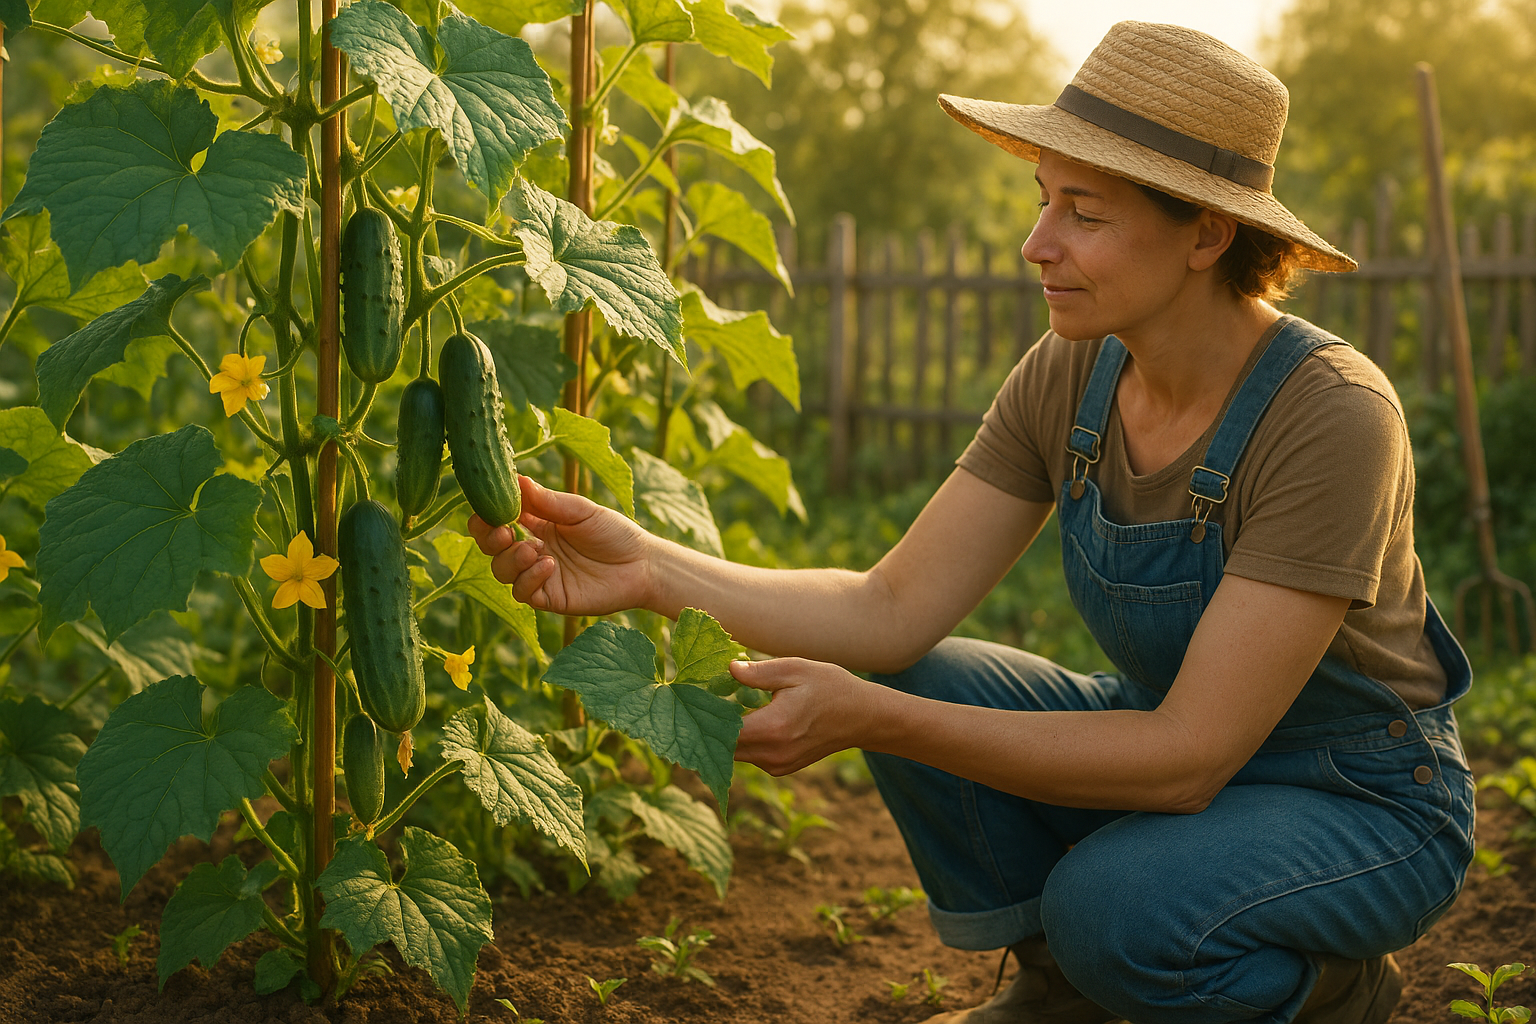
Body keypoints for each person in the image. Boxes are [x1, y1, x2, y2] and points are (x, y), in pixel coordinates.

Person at [470, 21, 1475, 1024]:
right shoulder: (1074, 370)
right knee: (915, 668)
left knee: (1111, 904)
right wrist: (649, 566)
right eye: (1045, 202)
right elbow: (890, 605)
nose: (1037, 244)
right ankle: (1061, 994)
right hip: (1188, 755)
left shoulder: (1331, 414)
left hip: (1360, 797)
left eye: (1083, 213)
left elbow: (1187, 753)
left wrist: (874, 719)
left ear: (1207, 233)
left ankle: (1328, 991)